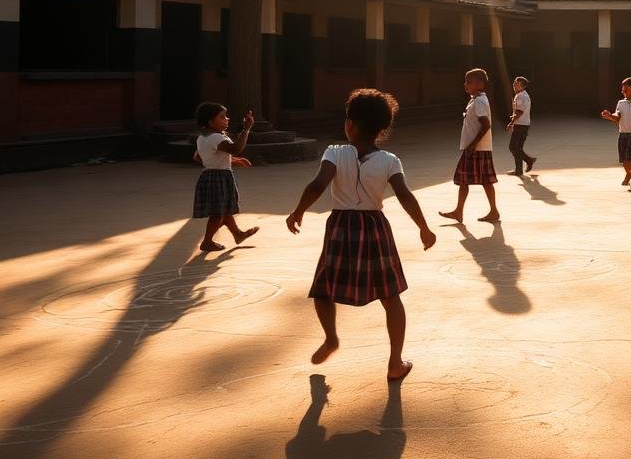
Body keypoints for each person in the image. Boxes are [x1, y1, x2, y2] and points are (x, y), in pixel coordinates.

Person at [286, 88, 435, 382]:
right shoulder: (391, 160)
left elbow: (318, 184)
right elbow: (405, 196)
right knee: (391, 296)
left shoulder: (334, 152)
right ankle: (395, 362)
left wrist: (298, 211)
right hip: (375, 229)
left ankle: (331, 338)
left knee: (323, 289)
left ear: (349, 125)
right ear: (382, 129)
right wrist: (423, 227)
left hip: (341, 227)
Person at [192, 102, 258, 252]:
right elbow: (236, 148)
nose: (227, 119)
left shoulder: (202, 137)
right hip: (219, 178)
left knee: (225, 210)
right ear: (210, 121)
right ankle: (207, 242)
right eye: (222, 117)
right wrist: (246, 129)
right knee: (218, 213)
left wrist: (231, 161)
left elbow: (197, 157)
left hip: (210, 176)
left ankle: (238, 234)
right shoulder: (216, 138)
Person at [440, 68, 500, 223]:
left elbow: (485, 124)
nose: (465, 84)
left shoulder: (479, 101)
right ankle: (459, 211)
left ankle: (491, 211)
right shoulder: (475, 99)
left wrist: (473, 144)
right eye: (465, 81)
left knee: (476, 180)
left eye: (469, 81)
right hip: (476, 147)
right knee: (467, 180)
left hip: (477, 148)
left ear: (480, 83)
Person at [506, 75, 536, 176]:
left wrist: (511, 123)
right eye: (514, 82)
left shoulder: (520, 96)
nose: (513, 84)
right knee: (518, 148)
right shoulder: (523, 95)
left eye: (516, 83)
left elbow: (519, 112)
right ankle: (519, 170)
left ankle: (529, 160)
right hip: (524, 124)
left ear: (522, 86)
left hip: (520, 125)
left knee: (513, 147)